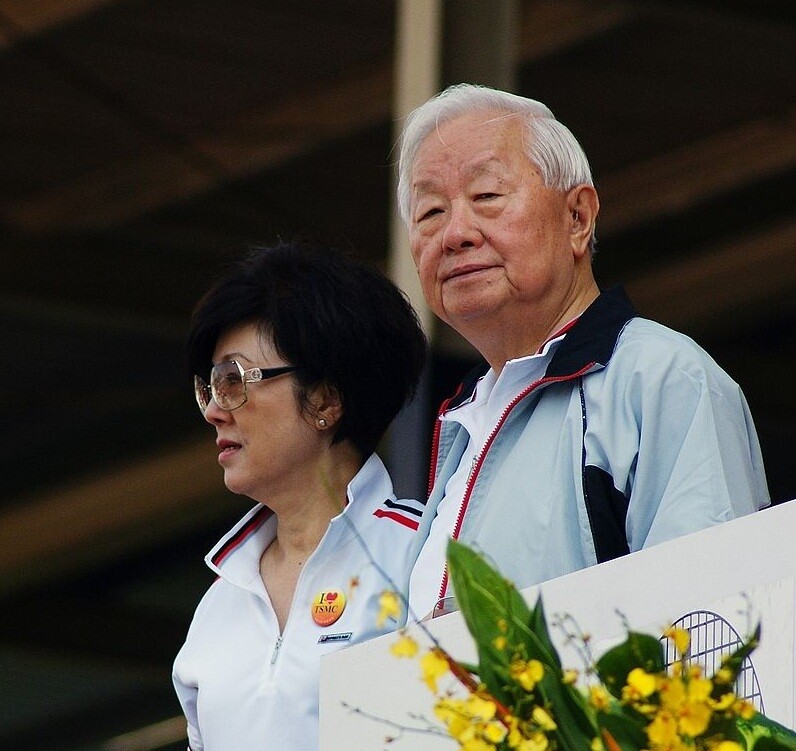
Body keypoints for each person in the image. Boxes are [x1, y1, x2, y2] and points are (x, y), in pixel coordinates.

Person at [397, 83, 770, 620]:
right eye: (431, 211)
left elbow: (709, 628)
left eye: (486, 197)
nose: (455, 233)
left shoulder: (660, 377)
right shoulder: (465, 420)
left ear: (577, 217)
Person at [172, 242, 427, 750]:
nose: (214, 412)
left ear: (325, 398)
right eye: (210, 388)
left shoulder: (422, 556)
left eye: (234, 381)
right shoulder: (218, 603)